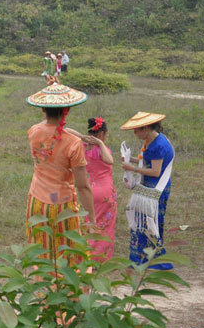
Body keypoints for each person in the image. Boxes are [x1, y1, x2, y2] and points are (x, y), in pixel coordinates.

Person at [25, 80, 95, 264]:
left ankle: (43, 290)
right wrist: (92, 219)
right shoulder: (73, 143)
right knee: (69, 256)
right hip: (63, 207)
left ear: (43, 109)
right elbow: (83, 187)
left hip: (37, 202)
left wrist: (50, 96)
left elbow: (46, 127)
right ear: (67, 110)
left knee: (42, 253)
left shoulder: (33, 132)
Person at [120, 112, 174, 270]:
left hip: (155, 189)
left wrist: (133, 168)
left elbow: (156, 171)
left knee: (149, 223)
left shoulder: (157, 146)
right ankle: (147, 258)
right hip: (151, 188)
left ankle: (150, 259)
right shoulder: (153, 140)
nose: (135, 133)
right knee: (146, 222)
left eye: (136, 130)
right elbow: (149, 162)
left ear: (146, 128)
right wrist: (132, 160)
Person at [67, 117, 116, 261]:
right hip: (106, 191)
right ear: (102, 134)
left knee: (89, 221)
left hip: (90, 189)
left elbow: (66, 130)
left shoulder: (83, 147)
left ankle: (86, 254)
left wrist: (83, 138)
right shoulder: (102, 149)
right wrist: (100, 143)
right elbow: (110, 161)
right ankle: (99, 257)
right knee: (104, 224)